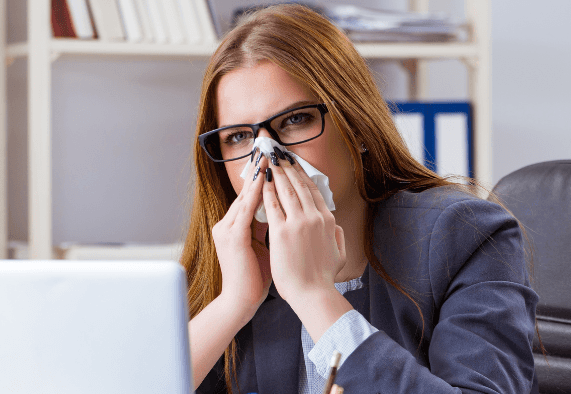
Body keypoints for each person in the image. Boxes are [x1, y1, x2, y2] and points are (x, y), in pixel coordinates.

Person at [180, 4, 538, 394]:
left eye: (295, 119)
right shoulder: (232, 265)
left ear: (358, 125)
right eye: (239, 137)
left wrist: (315, 296)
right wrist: (234, 303)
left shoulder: (468, 236)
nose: (265, 158)